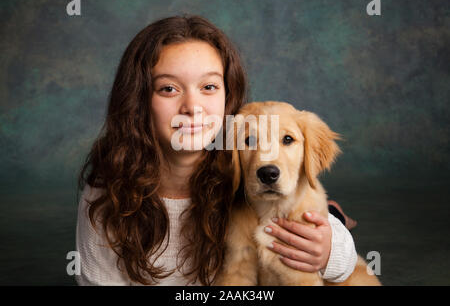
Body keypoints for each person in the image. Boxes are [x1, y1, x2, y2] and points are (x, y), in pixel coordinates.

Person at [76, 15, 357, 286]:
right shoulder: (108, 191)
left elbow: (334, 253)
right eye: (168, 89)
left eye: (209, 86)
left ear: (228, 97)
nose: (192, 107)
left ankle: (337, 215)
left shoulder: (242, 163)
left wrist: (329, 249)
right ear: (138, 102)